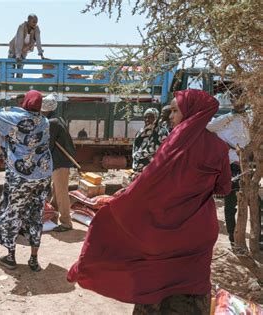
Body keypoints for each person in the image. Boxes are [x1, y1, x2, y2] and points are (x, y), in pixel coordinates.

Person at [68, 89, 231, 314]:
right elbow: (224, 187)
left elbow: (147, 182)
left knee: (154, 282)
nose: (171, 116)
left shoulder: (174, 142)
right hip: (198, 234)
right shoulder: (218, 146)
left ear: (191, 111)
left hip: (162, 231)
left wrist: (119, 202)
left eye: (175, 110)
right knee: (192, 283)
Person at [0, 90, 52, 272]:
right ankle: (33, 260)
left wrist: (15, 109)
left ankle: (10, 257)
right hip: (42, 175)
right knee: (36, 215)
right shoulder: (44, 122)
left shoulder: (16, 117)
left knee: (13, 213)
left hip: (20, 175)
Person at [207, 92, 251, 245]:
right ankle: (233, 236)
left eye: (242, 99)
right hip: (231, 166)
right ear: (232, 101)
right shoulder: (224, 120)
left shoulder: (250, 118)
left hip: (247, 165)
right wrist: (232, 115)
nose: (239, 102)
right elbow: (209, 127)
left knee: (255, 200)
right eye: (236, 99)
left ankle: (256, 237)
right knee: (231, 202)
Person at [40, 93, 76, 232]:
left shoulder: (52, 122)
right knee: (56, 190)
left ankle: (66, 222)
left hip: (60, 162)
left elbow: (47, 145)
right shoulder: (57, 119)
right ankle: (53, 217)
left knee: (61, 192)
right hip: (60, 161)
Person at [129, 108, 169, 182]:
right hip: (138, 170)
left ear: (156, 117)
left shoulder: (162, 132)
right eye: (145, 117)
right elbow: (135, 149)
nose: (147, 119)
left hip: (153, 170)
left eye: (150, 117)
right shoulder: (141, 132)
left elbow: (165, 152)